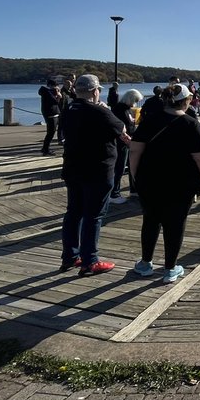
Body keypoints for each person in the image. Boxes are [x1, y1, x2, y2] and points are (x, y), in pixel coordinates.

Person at [127, 83, 200, 284]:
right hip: (181, 182)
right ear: (186, 101)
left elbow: (134, 150)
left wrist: (135, 176)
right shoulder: (191, 124)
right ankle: (170, 268)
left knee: (150, 220)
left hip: (149, 180)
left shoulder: (149, 120)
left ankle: (145, 263)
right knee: (175, 224)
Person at [59, 75, 134, 276]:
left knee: (73, 212)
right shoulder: (99, 110)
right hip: (98, 170)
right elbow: (122, 129)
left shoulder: (69, 109)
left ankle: (70, 256)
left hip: (73, 168)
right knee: (94, 215)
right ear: (95, 91)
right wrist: (104, 109)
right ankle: (90, 261)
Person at [109, 89, 142, 203]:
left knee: (132, 166)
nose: (135, 104)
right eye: (135, 101)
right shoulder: (119, 109)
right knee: (119, 168)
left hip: (129, 142)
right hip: (121, 143)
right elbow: (119, 127)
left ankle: (134, 189)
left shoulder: (127, 109)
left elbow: (130, 124)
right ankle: (114, 193)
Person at [39, 79, 63, 155]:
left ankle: (45, 148)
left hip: (54, 113)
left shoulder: (47, 91)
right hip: (50, 114)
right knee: (50, 132)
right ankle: (45, 149)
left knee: (51, 132)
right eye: (55, 87)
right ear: (50, 86)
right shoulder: (47, 92)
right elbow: (55, 101)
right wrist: (58, 95)